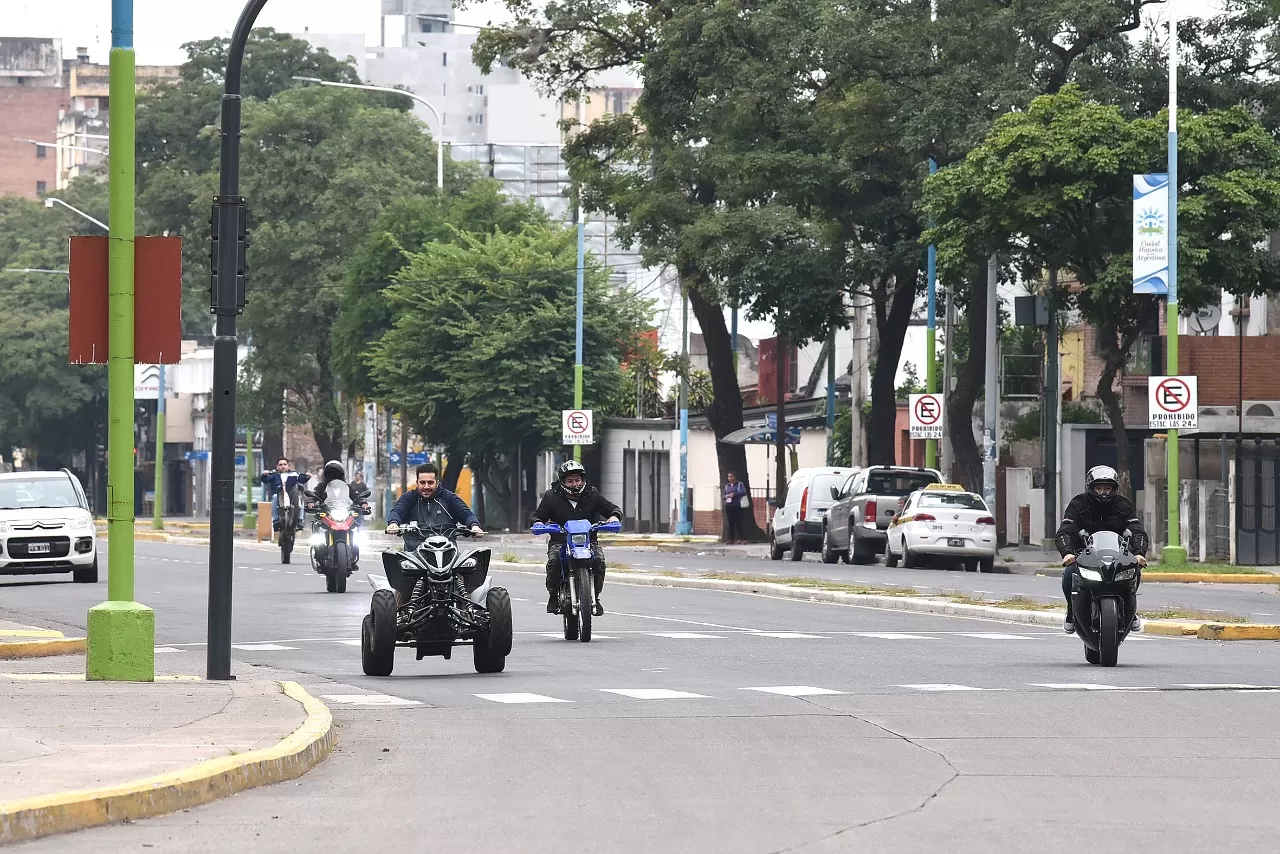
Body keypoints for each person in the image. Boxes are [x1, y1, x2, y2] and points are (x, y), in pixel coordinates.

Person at [1055, 465, 1149, 635]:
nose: (1103, 492)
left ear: (1114, 488)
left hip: (1117, 554)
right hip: (1084, 555)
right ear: (1091, 488)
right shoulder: (1078, 503)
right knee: (1069, 574)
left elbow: (1137, 530)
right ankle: (1071, 610)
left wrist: (1139, 553)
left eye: (1107, 488)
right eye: (1099, 488)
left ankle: (1130, 610)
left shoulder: (1123, 505)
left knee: (1134, 570)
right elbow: (1065, 531)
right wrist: (1067, 552)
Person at [531, 460, 622, 616]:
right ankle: (553, 596)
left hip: (588, 541)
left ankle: (595, 597)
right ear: (563, 481)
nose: (575, 484)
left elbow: (612, 509)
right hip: (560, 541)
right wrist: (538, 523)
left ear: (583, 479)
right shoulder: (551, 496)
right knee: (554, 562)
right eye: (570, 480)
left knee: (599, 561)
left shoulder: (592, 494)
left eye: (577, 480)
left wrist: (614, 517)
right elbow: (537, 515)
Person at [259, 457, 304, 532]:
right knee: (274, 497)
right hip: (279, 495)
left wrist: (307, 476)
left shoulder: (293, 474)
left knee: (300, 498)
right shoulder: (274, 475)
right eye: (280, 465)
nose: (283, 466)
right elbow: (265, 480)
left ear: (288, 466)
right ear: (277, 467)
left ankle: (300, 520)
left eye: (284, 464)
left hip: (292, 495)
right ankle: (276, 520)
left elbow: (302, 478)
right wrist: (264, 475)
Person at [722, 472, 748, 544]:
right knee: (730, 523)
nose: (730, 478)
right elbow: (723, 495)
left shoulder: (739, 484)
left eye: (732, 476)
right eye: (729, 477)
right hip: (729, 505)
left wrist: (735, 494)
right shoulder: (727, 486)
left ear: (735, 477)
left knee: (738, 522)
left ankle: (741, 538)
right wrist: (727, 496)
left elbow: (744, 492)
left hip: (737, 505)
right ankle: (731, 539)